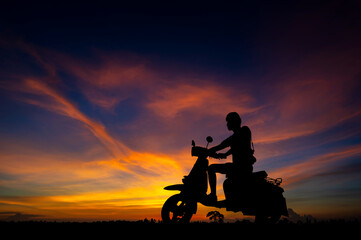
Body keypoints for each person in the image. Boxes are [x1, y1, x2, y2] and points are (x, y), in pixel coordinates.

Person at [207, 112, 255, 203]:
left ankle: (213, 195)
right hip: (238, 166)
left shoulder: (244, 130)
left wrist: (210, 151)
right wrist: (223, 154)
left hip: (242, 167)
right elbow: (233, 146)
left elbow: (226, 145)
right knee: (212, 168)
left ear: (235, 122)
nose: (227, 124)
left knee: (211, 168)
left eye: (229, 122)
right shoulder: (235, 137)